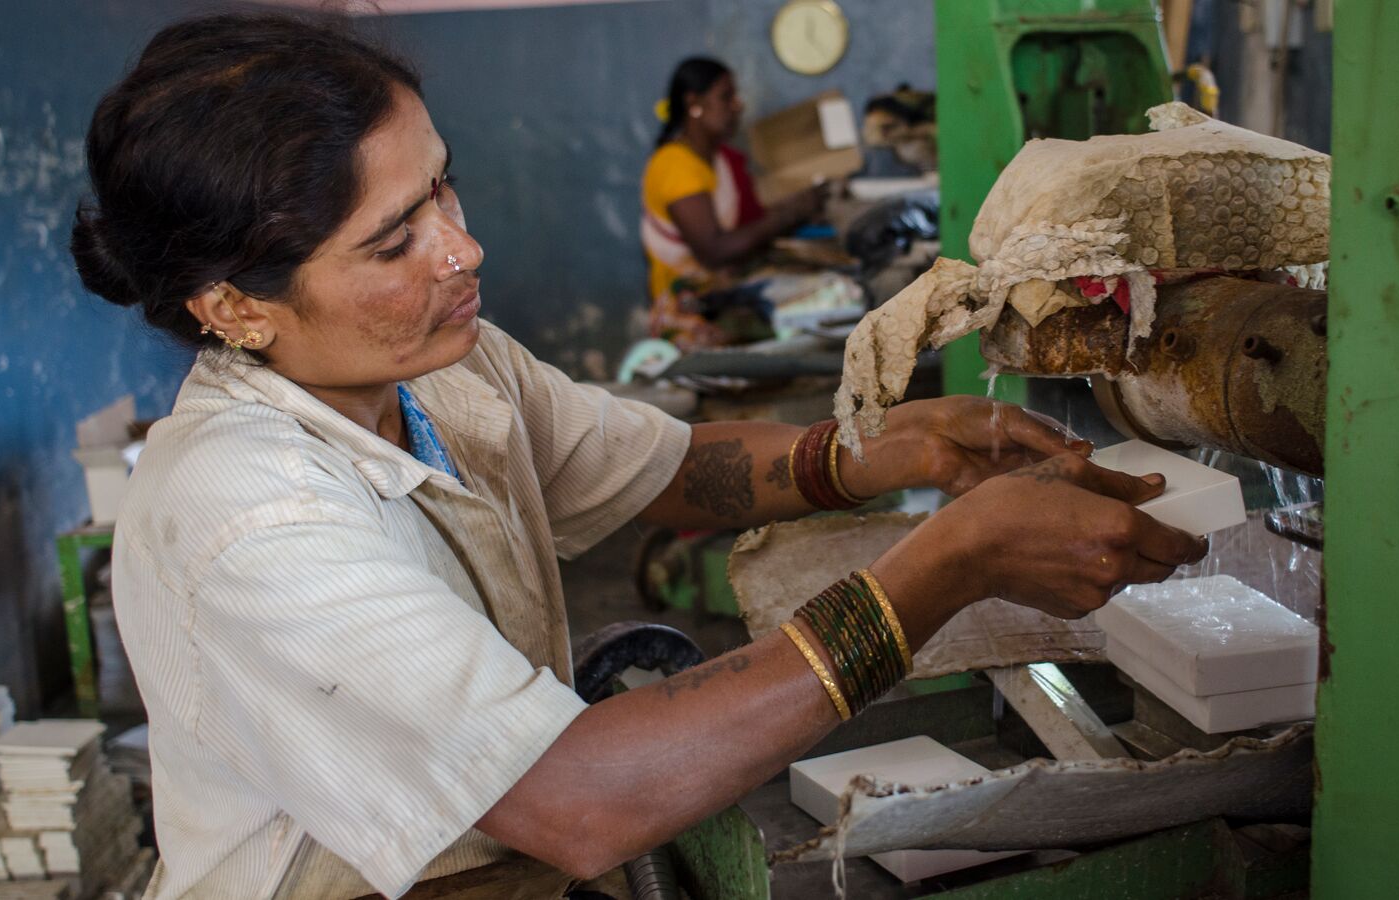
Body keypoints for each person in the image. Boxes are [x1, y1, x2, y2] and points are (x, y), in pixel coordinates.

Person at [72, 14, 1207, 900]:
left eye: (442, 187)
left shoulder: (446, 369)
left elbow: (662, 468)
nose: (464, 247)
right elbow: (582, 800)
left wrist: (883, 446)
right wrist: (942, 568)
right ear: (230, 303)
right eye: (394, 240)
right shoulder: (249, 516)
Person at [639, 57, 828, 348]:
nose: (737, 105)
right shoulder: (674, 166)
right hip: (690, 312)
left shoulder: (721, 160)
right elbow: (713, 251)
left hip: (726, 292)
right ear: (695, 104)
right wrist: (791, 213)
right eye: (726, 97)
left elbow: (751, 225)